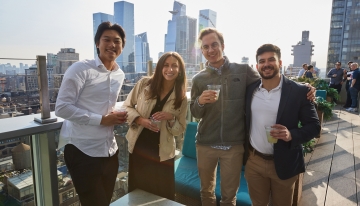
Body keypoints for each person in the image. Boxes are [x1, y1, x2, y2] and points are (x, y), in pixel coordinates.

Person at [190, 28, 316, 206]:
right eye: (205, 47)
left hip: (233, 146)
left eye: (214, 45)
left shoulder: (243, 70)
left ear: (223, 46)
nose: (210, 50)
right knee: (206, 192)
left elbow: (269, 77)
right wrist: (200, 102)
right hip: (205, 143)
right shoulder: (197, 79)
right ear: (201, 50)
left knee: (228, 197)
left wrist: (303, 87)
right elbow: (194, 112)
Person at [55, 21, 127, 206]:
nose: (112, 44)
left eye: (117, 41)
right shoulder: (81, 69)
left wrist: (114, 115)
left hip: (110, 150)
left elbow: (104, 105)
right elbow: (62, 107)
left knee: (105, 201)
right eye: (107, 39)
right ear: (97, 43)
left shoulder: (120, 74)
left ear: (122, 46)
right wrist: (102, 120)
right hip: (82, 149)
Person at [244, 44, 321, 206]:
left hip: (285, 162)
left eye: (271, 59)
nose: (266, 64)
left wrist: (291, 134)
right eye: (262, 61)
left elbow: (314, 126)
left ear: (280, 63)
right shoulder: (250, 90)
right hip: (254, 162)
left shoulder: (299, 91)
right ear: (257, 66)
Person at [123, 51, 188, 200]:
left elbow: (180, 130)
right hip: (139, 147)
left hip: (163, 153)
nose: (170, 69)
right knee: (138, 193)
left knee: (162, 194)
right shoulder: (144, 84)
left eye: (174, 66)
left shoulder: (181, 97)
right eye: (166, 65)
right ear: (159, 67)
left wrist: (171, 118)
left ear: (180, 71)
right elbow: (126, 107)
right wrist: (140, 120)